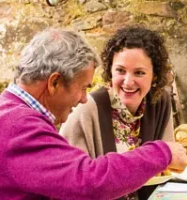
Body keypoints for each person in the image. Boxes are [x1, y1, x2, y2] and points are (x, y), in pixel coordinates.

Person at [0, 29, 187, 199]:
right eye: (83, 87)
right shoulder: (17, 124)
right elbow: (89, 181)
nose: (84, 98)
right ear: (54, 82)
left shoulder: (11, 113)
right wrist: (161, 153)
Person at [59, 27, 175, 199]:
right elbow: (71, 182)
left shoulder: (160, 102)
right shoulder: (86, 110)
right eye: (120, 70)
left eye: (139, 73)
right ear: (110, 71)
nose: (128, 82)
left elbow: (168, 167)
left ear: (155, 76)